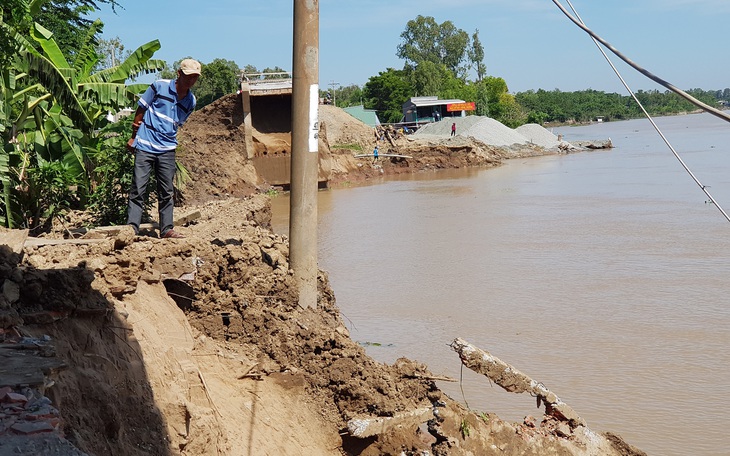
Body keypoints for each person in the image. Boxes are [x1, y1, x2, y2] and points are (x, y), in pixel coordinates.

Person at [126, 58, 201, 239]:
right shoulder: (159, 86)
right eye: (188, 76)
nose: (191, 81)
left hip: (167, 149)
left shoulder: (191, 101)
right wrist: (134, 137)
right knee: (138, 188)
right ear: (179, 73)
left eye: (195, 78)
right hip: (145, 145)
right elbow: (141, 109)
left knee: (166, 191)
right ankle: (132, 228)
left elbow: (176, 123)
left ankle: (166, 228)